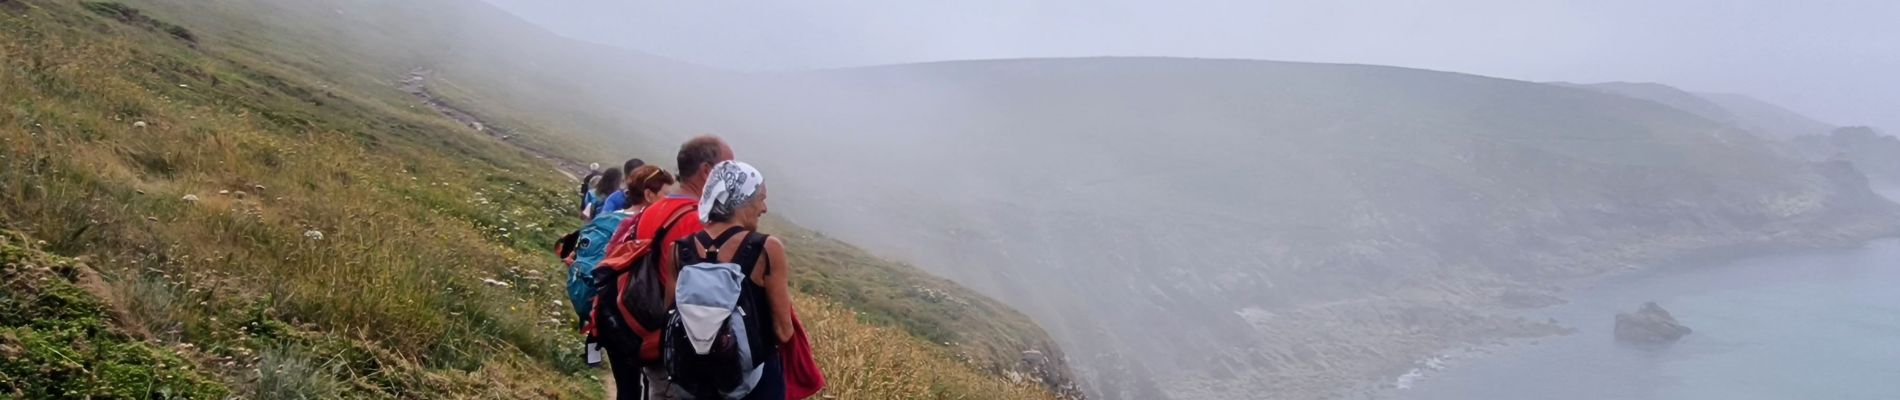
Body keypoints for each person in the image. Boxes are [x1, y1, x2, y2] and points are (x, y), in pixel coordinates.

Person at [603, 136, 733, 399]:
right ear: (707, 171)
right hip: (677, 350)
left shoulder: (654, 210)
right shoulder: (699, 221)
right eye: (728, 170)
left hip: (647, 335)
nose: (733, 179)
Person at [678, 160, 793, 399]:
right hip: (754, 381)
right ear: (742, 199)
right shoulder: (766, 248)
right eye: (761, 198)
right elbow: (783, 331)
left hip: (697, 377)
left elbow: (672, 316)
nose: (764, 208)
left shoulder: (680, 249)